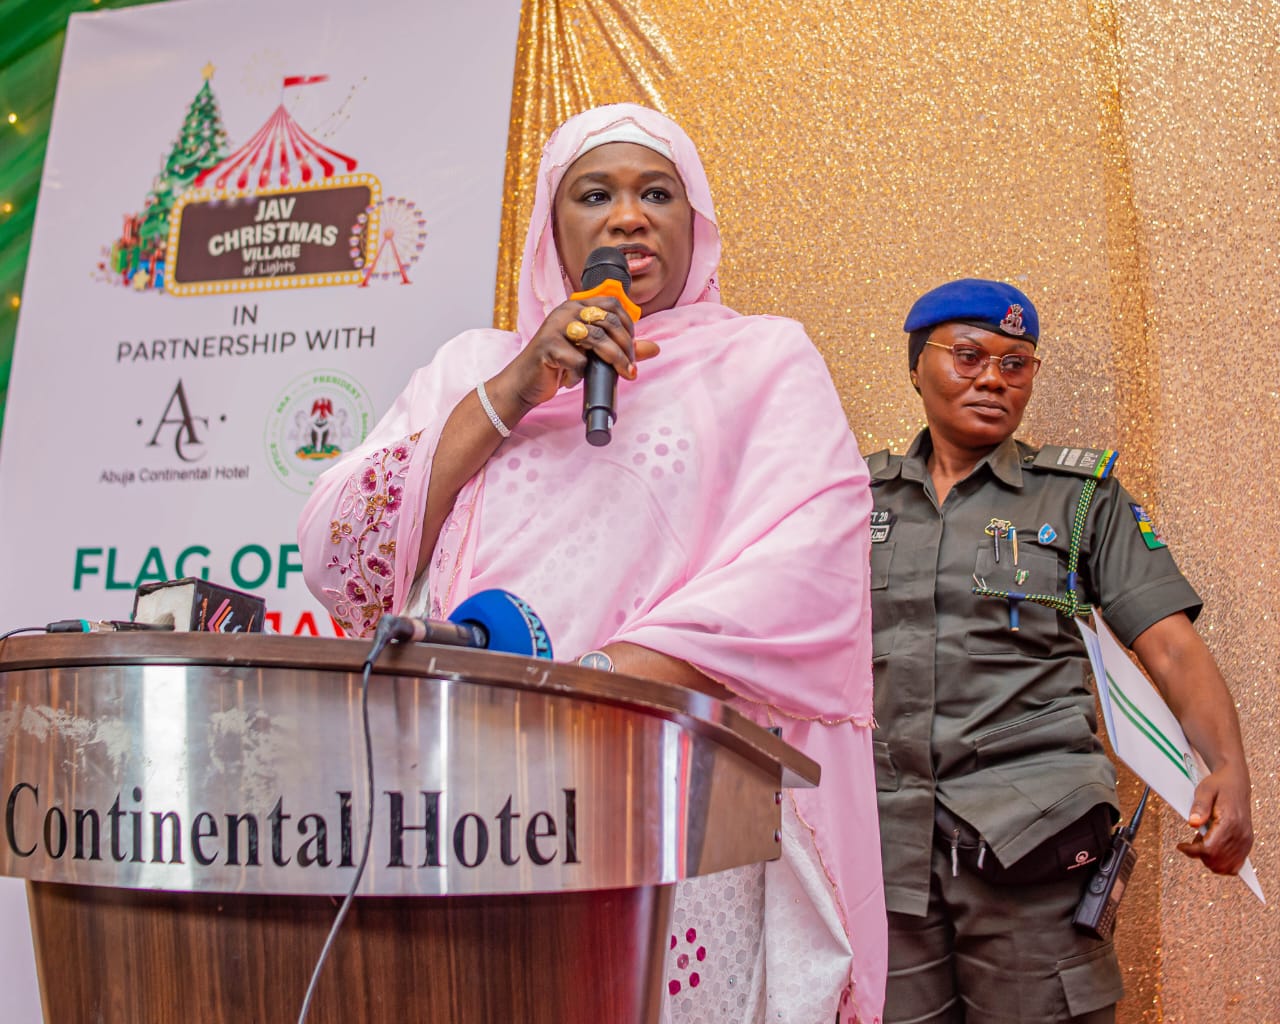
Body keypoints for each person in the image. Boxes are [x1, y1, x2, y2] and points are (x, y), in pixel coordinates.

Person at [298, 103, 887, 1024]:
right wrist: (514, 389)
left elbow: (805, 569)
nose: (627, 218)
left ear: (695, 223)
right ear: (553, 227)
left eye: (657, 193)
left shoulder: (762, 359)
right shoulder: (471, 366)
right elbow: (342, 555)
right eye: (594, 195)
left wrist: (592, 689)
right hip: (467, 800)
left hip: (670, 801)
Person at [868, 278, 1253, 1023]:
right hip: (886, 847)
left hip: (1033, 841)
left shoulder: (1078, 499)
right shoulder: (854, 499)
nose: (993, 379)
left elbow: (1170, 648)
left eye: (1016, 364)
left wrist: (1228, 771)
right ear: (917, 366)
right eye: (969, 356)